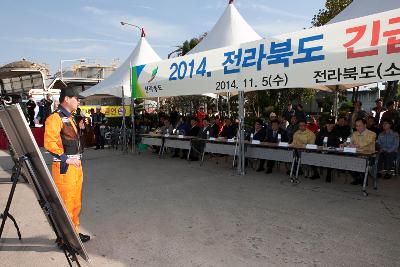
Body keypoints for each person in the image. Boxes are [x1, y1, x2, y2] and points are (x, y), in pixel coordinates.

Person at [44, 86, 90, 243]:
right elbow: (49, 143)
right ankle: (65, 238)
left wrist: (81, 129)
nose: (78, 101)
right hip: (65, 168)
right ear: (67, 99)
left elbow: (71, 140)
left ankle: (74, 233)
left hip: (76, 166)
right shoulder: (54, 118)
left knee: (76, 202)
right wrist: (65, 159)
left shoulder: (70, 118)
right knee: (66, 202)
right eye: (76, 98)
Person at [347, 118, 376, 185]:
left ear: (365, 125)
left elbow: (366, 143)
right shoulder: (354, 134)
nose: (358, 127)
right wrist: (344, 144)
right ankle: (358, 178)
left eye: (360, 125)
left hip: (369, 157)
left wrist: (356, 145)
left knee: (358, 161)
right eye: (356, 126)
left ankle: (361, 178)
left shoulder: (372, 134)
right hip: (356, 155)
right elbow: (349, 141)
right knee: (346, 161)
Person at [315, 118, 341, 182]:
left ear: (333, 125)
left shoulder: (337, 132)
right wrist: (320, 146)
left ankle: (329, 173)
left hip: (332, 151)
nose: (329, 126)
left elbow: (339, 143)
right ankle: (316, 173)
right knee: (312, 156)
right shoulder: (322, 131)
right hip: (322, 150)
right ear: (326, 124)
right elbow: (317, 141)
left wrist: (331, 147)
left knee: (330, 157)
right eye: (328, 124)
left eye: (331, 124)